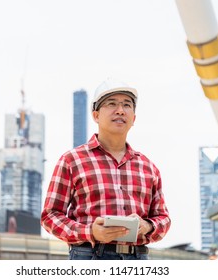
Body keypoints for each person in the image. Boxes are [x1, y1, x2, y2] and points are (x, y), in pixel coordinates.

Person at [41, 78, 171, 260]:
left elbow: (163, 218)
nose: (120, 110)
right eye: (112, 104)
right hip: (90, 256)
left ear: (133, 118)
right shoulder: (72, 160)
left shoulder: (148, 167)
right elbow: (50, 216)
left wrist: (147, 226)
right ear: (95, 116)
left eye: (127, 105)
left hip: (138, 259)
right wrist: (90, 231)